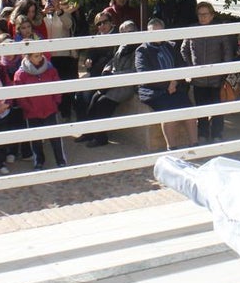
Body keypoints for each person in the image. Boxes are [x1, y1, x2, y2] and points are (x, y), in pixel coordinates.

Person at [77, 20, 140, 148]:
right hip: (112, 81)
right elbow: (112, 61)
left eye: (129, 32)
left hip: (125, 85)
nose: (125, 35)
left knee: (103, 103)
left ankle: (101, 138)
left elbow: (134, 70)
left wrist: (114, 76)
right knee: (94, 98)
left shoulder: (138, 48)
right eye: (123, 32)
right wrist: (106, 71)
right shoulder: (122, 46)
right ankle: (89, 132)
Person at [135, 17, 193, 150]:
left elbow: (180, 65)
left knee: (189, 111)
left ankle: (194, 145)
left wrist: (174, 81)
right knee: (169, 113)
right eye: (153, 32)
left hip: (175, 87)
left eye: (160, 31)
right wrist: (167, 84)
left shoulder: (171, 46)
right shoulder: (142, 51)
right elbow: (145, 74)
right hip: (154, 91)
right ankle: (172, 148)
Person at [181, 2, 235, 142]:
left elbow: (228, 53)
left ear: (212, 15)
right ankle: (202, 134)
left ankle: (217, 134)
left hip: (216, 78)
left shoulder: (219, 30)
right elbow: (184, 50)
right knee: (201, 108)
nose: (202, 17)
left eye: (205, 14)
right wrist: (190, 67)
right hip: (198, 78)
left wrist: (223, 73)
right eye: (200, 14)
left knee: (217, 108)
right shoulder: (192, 29)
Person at [12, 50, 67, 170]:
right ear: (28, 57)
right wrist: (29, 108)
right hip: (32, 112)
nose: (40, 58)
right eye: (36, 56)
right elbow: (20, 95)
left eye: (41, 55)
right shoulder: (20, 74)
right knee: (35, 139)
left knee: (55, 137)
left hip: (49, 109)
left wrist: (56, 101)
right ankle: (39, 161)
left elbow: (57, 86)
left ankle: (60, 160)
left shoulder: (50, 69)